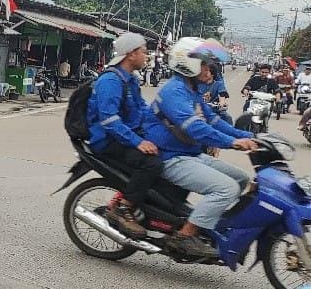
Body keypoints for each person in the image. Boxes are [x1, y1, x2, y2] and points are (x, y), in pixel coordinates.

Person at [144, 37, 256, 258]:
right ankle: (184, 236)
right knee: (227, 189)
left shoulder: (191, 90)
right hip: (170, 157)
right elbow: (196, 129)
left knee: (242, 179)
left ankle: (212, 224)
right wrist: (232, 143)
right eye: (204, 64)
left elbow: (213, 121)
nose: (209, 69)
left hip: (190, 154)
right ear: (189, 64)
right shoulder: (174, 91)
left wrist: (250, 136)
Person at [85, 32, 158, 240]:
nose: (147, 56)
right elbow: (109, 121)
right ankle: (123, 208)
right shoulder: (110, 81)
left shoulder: (131, 80)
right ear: (131, 54)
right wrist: (138, 142)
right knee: (151, 163)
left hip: (124, 136)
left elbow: (142, 110)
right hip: (108, 141)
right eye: (144, 52)